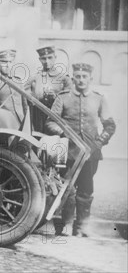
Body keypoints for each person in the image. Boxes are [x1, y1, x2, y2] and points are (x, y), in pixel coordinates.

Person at [45, 63, 116, 237]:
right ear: (73, 78)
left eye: (84, 77)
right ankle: (66, 224)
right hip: (68, 153)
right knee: (66, 189)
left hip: (90, 154)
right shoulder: (63, 97)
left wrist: (98, 143)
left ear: (90, 79)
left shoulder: (99, 98)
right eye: (77, 76)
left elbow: (110, 125)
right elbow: (50, 122)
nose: (81, 79)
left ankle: (82, 226)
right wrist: (63, 132)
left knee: (86, 189)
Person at [25, 46, 71, 132]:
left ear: (55, 58)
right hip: (38, 119)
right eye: (43, 58)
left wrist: (56, 98)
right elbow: (25, 95)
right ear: (39, 59)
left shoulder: (64, 79)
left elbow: (70, 102)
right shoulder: (34, 78)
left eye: (50, 58)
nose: (47, 61)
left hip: (57, 120)